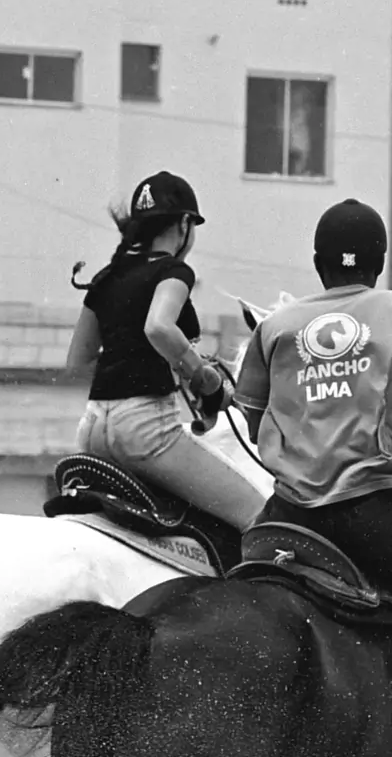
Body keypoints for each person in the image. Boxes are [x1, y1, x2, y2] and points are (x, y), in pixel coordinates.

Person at [234, 197, 392, 615]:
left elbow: (253, 425)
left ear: (318, 264)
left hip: (286, 518)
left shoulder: (273, 326)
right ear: (379, 264)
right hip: (377, 515)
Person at [66, 170, 265, 531]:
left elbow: (77, 360)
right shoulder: (174, 271)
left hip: (92, 428)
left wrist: (129, 365)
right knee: (261, 518)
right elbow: (158, 327)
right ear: (185, 224)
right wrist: (204, 379)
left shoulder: (106, 277)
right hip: (145, 429)